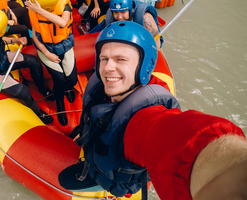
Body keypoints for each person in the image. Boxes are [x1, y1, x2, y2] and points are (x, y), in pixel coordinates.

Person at [58, 21, 246, 200]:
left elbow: (176, 137)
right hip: (97, 150)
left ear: (144, 67)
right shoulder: (102, 88)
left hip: (112, 174)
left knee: (64, 180)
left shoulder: (144, 117)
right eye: (104, 58)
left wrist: (232, 173)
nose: (108, 67)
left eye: (121, 59)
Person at [0, 9, 53, 124]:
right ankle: (38, 113)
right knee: (24, 92)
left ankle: (42, 89)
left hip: (1, 58)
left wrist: (15, 40)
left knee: (33, 61)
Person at [25, 0, 77, 126]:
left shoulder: (64, 6)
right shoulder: (34, 12)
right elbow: (35, 38)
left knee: (72, 80)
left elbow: (62, 22)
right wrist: (48, 54)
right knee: (59, 78)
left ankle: (68, 88)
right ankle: (60, 102)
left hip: (64, 46)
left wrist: (39, 10)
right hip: (46, 48)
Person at [91, 0, 162, 47]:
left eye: (123, 12)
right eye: (116, 12)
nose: (119, 17)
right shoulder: (111, 16)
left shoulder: (145, 17)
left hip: (143, 39)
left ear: (130, 10)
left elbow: (156, 42)